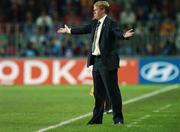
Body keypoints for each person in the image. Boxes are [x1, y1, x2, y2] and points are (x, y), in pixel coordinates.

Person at [57, 1, 134, 125]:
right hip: (96, 61)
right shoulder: (94, 23)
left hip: (107, 62)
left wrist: (124, 36)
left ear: (103, 10)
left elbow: (118, 33)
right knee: (98, 93)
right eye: (93, 10)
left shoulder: (111, 23)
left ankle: (118, 119)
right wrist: (69, 31)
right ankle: (97, 119)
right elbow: (83, 29)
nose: (93, 12)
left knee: (112, 91)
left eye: (95, 10)